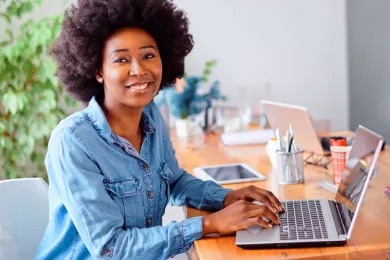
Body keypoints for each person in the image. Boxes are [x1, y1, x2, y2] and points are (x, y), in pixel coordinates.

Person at [35, 0, 284, 259]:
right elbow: (110, 248)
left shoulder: (150, 114)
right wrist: (208, 224)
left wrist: (226, 198)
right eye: (121, 59)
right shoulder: (73, 141)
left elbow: (173, 181)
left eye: (148, 56)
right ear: (98, 71)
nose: (139, 70)